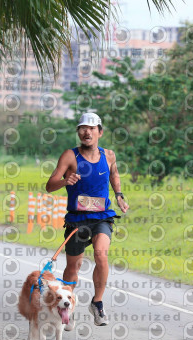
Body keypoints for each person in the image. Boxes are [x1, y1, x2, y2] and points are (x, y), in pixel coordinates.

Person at [45, 112, 129, 326]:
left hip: (102, 216)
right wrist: (65, 180)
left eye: (91, 128)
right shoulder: (70, 156)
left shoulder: (109, 155)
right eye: (83, 128)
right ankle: (67, 308)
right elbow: (50, 184)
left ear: (99, 132)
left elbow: (114, 175)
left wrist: (119, 195)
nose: (86, 132)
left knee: (101, 255)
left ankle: (97, 303)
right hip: (77, 219)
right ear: (78, 132)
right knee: (74, 266)